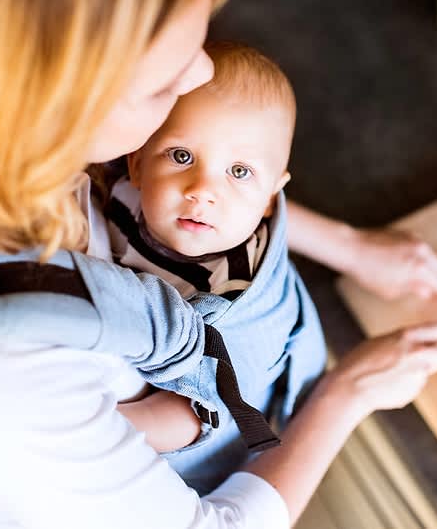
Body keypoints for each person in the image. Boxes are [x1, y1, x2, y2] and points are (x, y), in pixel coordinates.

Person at [0, 0, 437, 529]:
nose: (202, 72)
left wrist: (350, 246)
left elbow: (196, 189)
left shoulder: (3, 144)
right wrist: (348, 393)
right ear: (56, 107)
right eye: (161, 83)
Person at [91, 41, 328, 493]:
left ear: (269, 199)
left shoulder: (229, 294)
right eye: (182, 156)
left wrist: (98, 423)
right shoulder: (118, 191)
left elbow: (195, 414)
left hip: (172, 447)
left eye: (239, 172)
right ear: (136, 163)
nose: (202, 190)